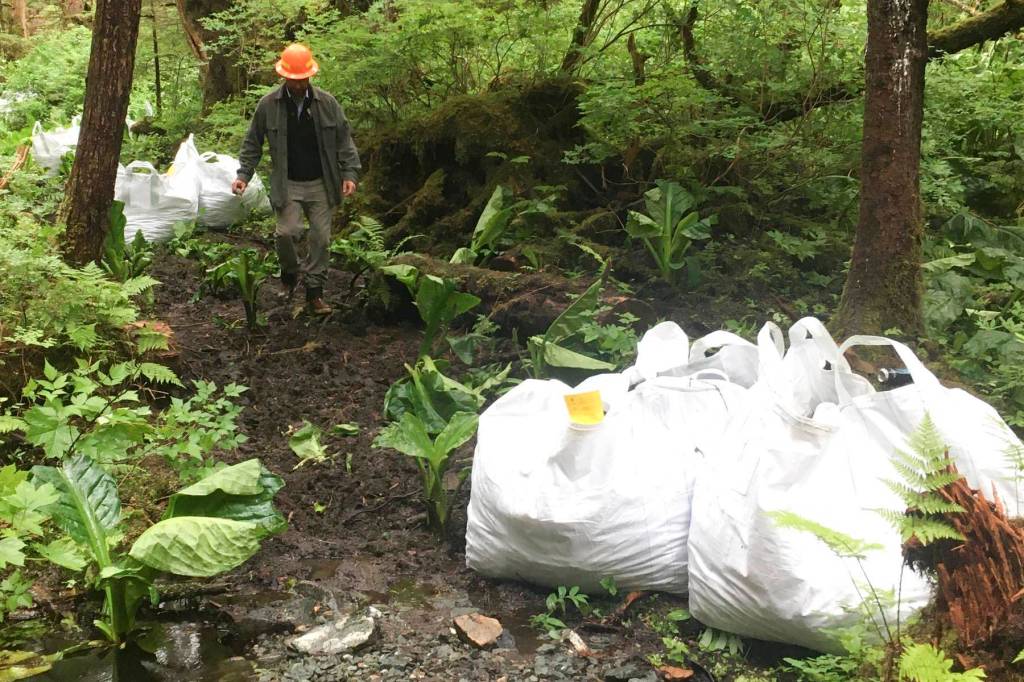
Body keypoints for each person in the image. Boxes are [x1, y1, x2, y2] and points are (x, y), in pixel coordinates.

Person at [232, 43, 361, 315]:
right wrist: (244, 174)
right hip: (287, 182)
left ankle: (315, 293)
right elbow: (252, 142)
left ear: (310, 76)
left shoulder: (327, 103)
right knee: (286, 233)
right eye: (294, 80)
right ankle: (290, 275)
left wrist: (349, 173)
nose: (300, 84)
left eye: (303, 79)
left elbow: (344, 140)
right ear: (284, 77)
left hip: (321, 182)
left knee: (321, 239)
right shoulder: (268, 105)